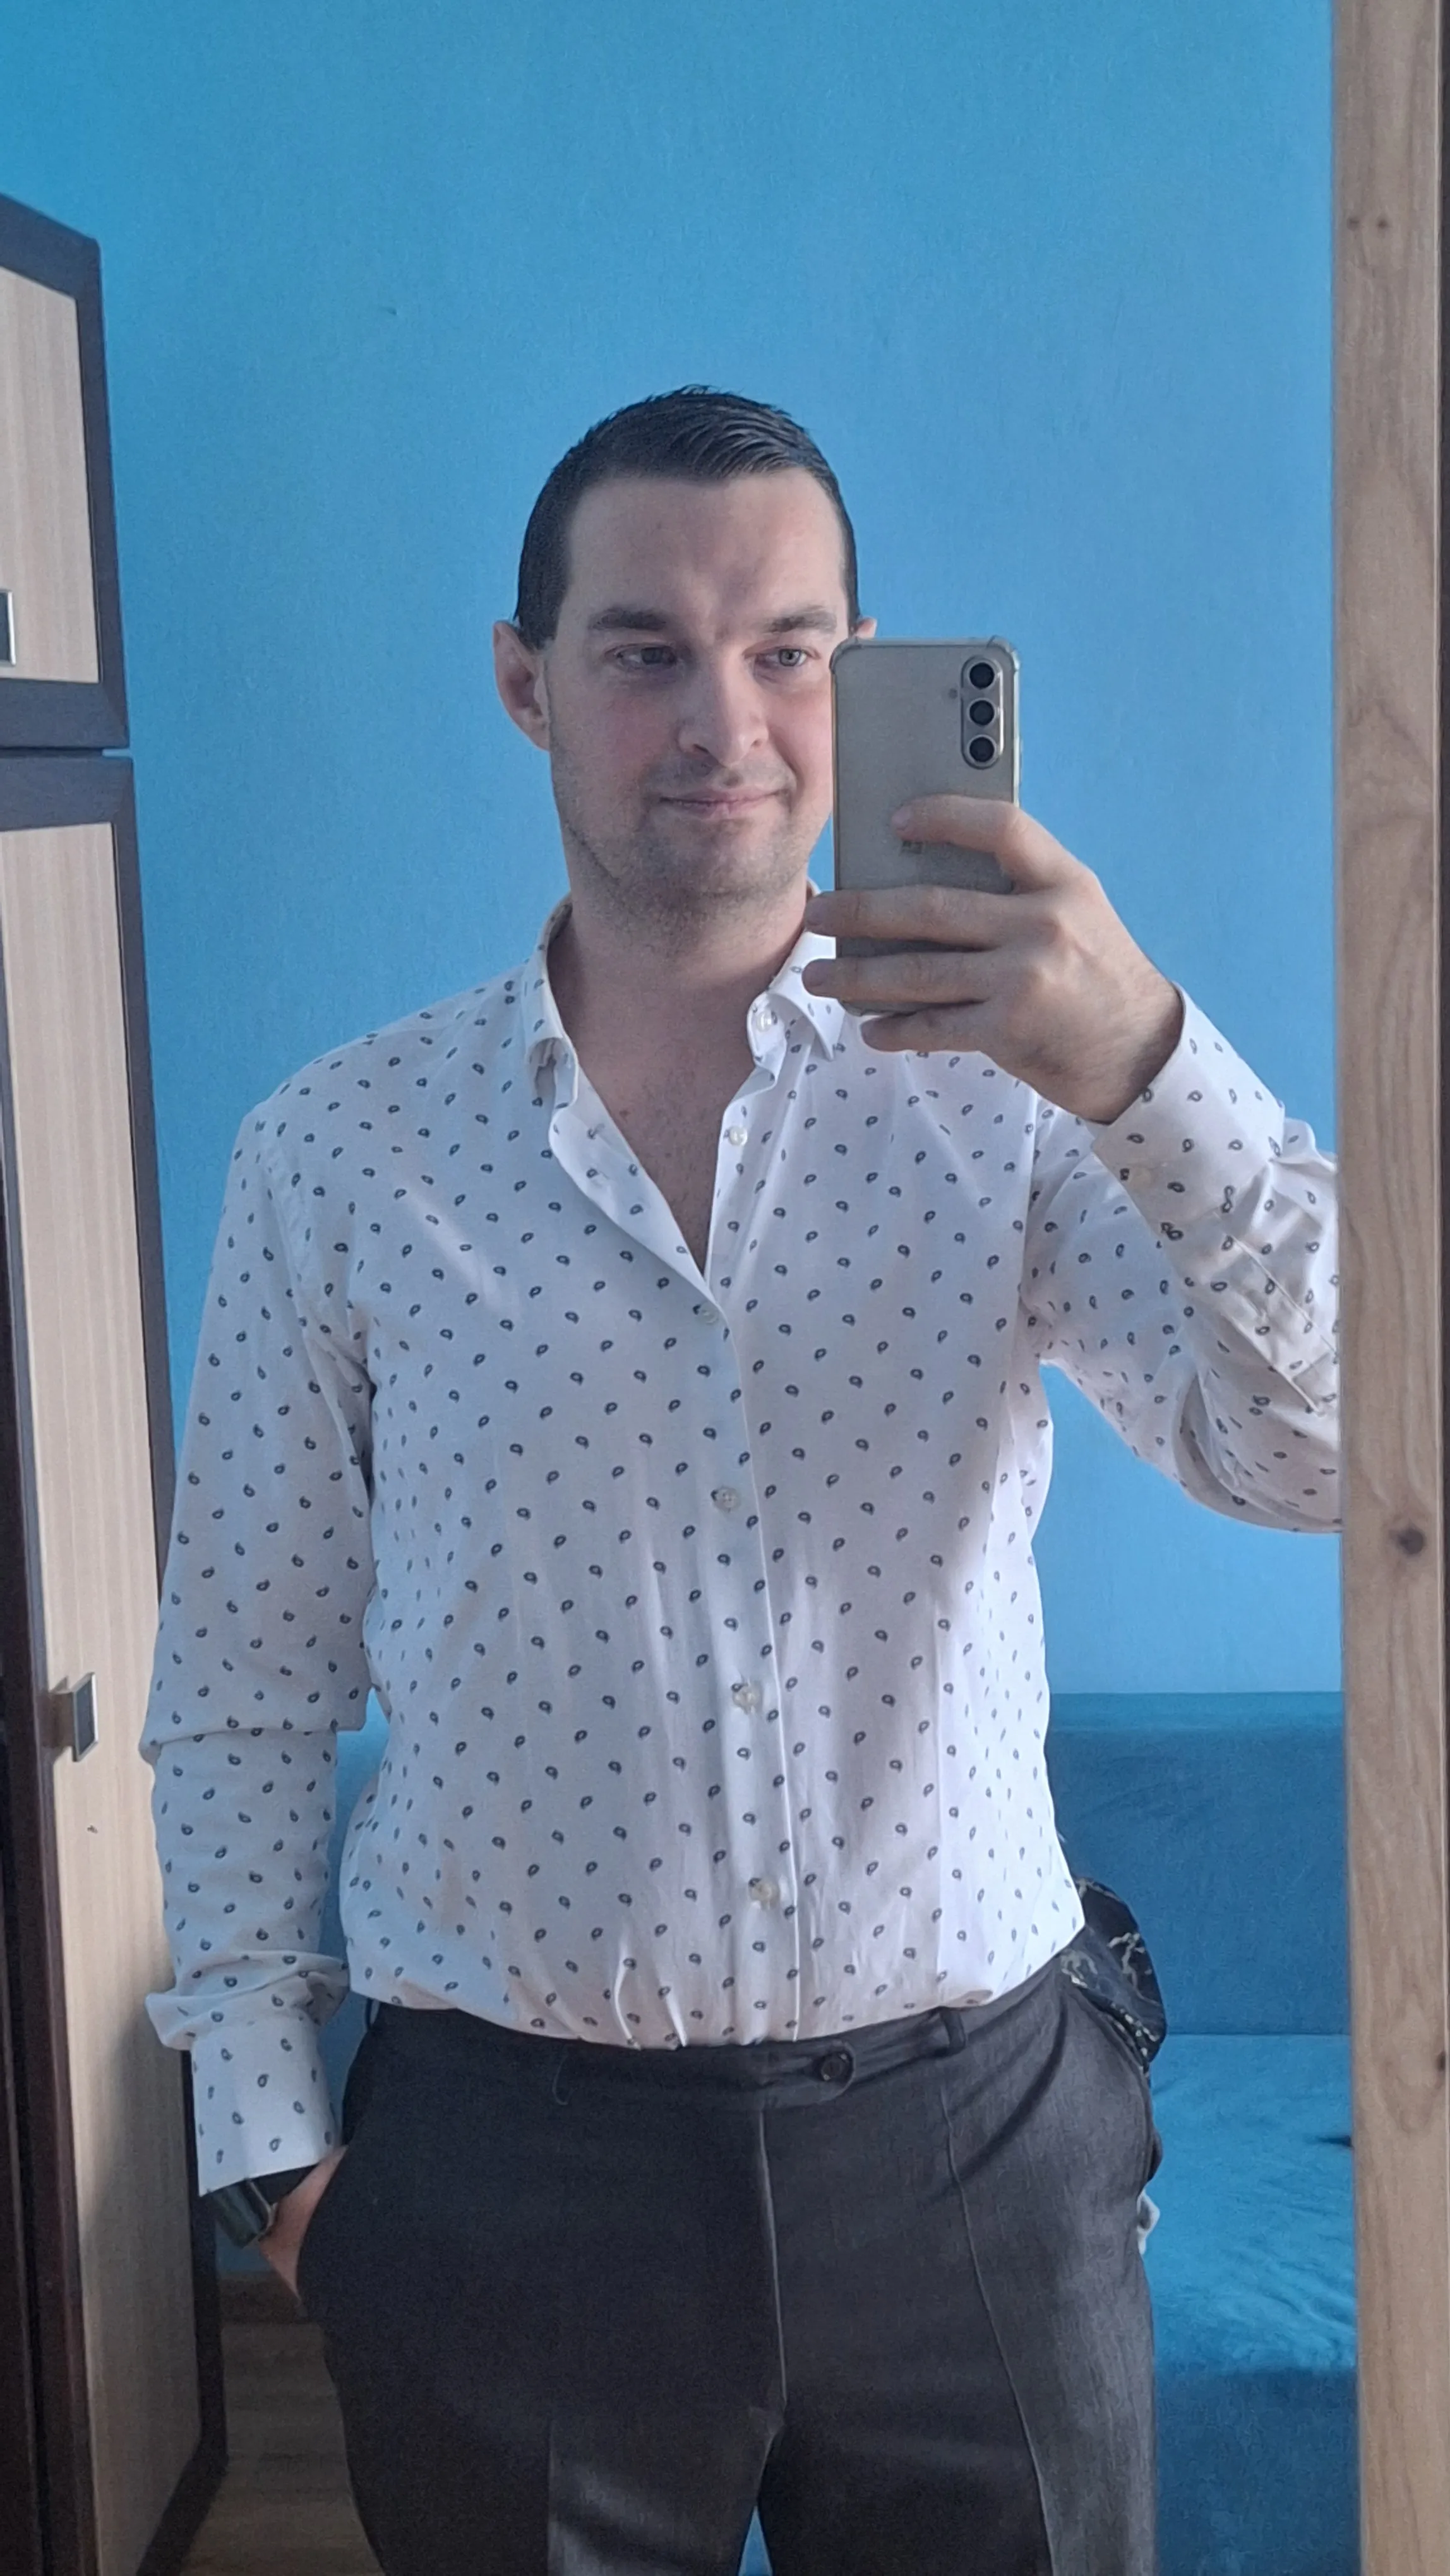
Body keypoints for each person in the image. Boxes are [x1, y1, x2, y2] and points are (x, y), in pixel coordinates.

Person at [141, 387, 1338, 2576]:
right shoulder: (339, 1157)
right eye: (644, 650)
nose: (724, 722)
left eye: (788, 650)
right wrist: (274, 2159)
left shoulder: (1020, 1102)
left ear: (863, 672)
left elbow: (1328, 1455)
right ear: (524, 681)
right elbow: (240, 1677)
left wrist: (1156, 1066)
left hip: (980, 2148)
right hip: (510, 2181)